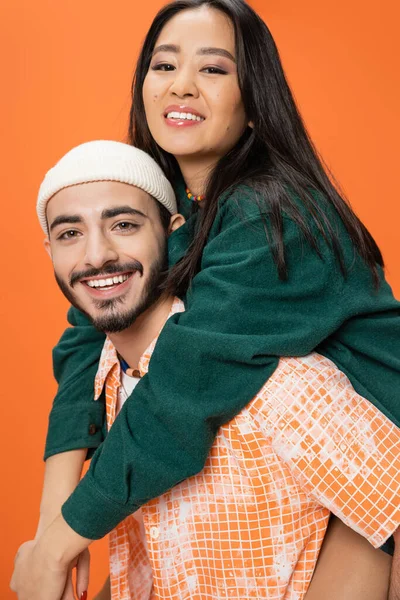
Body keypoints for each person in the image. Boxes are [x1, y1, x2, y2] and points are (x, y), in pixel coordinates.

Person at [11, 0, 400, 596]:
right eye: (164, 66)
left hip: (372, 487)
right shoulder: (175, 215)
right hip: (285, 487)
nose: (182, 86)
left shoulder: (272, 213)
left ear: (253, 102)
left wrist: (58, 546)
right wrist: (47, 535)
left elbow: (184, 388)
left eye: (214, 69)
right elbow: (87, 339)